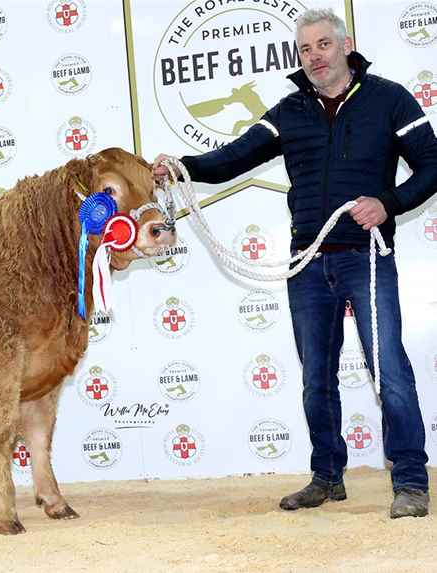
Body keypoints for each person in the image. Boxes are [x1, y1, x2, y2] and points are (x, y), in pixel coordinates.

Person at [153, 8, 437, 518]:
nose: (315, 57)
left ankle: (412, 483)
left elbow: (433, 163)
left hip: (367, 254)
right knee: (315, 377)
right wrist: (182, 166)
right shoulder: (288, 111)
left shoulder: (389, 99)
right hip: (307, 263)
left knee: (390, 369)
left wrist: (388, 203)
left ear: (345, 45)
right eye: (305, 49)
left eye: (323, 45)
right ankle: (327, 477)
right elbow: (230, 159)